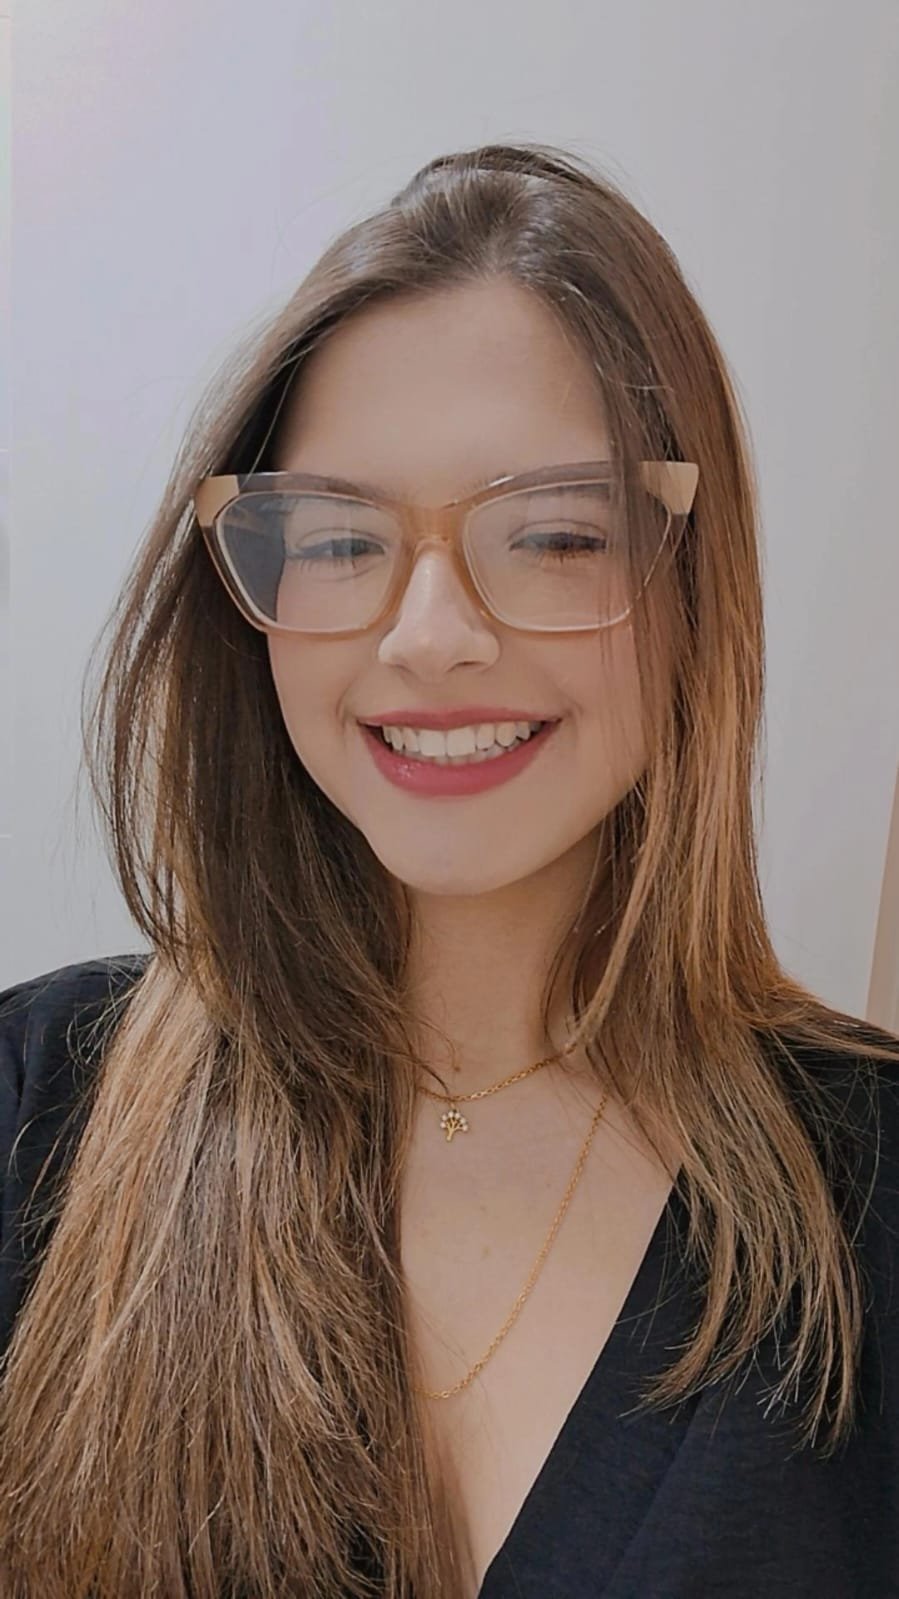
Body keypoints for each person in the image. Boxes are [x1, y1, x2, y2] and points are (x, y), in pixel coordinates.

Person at [1, 141, 897, 1599]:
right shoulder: (41, 1106)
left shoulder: (868, 1190)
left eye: (552, 535)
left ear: (695, 580)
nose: (429, 636)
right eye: (339, 539)